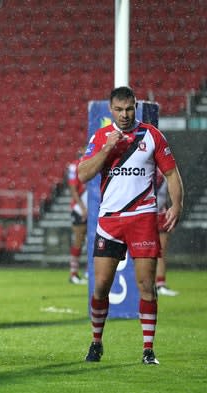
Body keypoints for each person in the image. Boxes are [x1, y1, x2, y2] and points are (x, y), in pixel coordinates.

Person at [78, 86, 183, 365]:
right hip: (110, 220)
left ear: (135, 107)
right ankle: (96, 342)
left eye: (129, 109)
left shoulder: (151, 135)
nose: (124, 115)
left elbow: (172, 174)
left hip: (143, 218)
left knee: (147, 285)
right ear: (110, 110)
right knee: (100, 286)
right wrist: (108, 148)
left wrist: (177, 205)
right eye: (119, 109)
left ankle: (148, 349)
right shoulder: (101, 137)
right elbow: (83, 173)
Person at [154, 169, 179, 296]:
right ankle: (152, 283)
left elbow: (167, 194)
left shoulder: (164, 170)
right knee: (145, 252)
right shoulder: (152, 169)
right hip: (146, 215)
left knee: (161, 252)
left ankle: (160, 283)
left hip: (161, 214)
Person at [67, 149, 88, 285]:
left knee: (95, 242)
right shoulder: (75, 166)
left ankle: (89, 271)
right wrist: (82, 208)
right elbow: (73, 189)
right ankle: (73, 273)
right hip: (79, 209)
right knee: (79, 241)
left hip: (92, 209)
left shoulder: (93, 165)